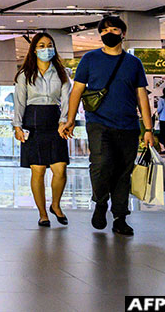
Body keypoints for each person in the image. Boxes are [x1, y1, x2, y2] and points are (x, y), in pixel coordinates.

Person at [60, 15, 158, 236]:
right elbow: (77, 90)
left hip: (128, 126)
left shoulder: (134, 63)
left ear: (123, 33)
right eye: (104, 31)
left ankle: (120, 217)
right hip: (99, 123)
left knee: (123, 172)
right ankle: (101, 203)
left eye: (113, 29)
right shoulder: (89, 59)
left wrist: (148, 130)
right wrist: (70, 119)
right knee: (101, 164)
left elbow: (142, 96)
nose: (108, 34)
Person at [12, 32, 71, 227]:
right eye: (42, 45)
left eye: (49, 45)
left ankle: (56, 205)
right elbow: (19, 102)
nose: (46, 49)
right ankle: (43, 213)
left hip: (55, 122)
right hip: (32, 122)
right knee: (37, 171)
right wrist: (17, 125)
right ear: (34, 49)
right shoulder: (24, 74)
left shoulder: (63, 73)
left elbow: (66, 101)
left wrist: (65, 121)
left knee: (60, 168)